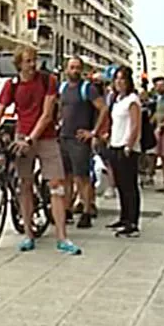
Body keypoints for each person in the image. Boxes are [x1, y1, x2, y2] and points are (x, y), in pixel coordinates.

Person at [0, 45, 80, 255]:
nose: (33, 65)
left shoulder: (47, 80)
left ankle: (62, 237)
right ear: (19, 65)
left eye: (34, 60)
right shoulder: (12, 85)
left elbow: (47, 115)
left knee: (56, 186)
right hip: (22, 136)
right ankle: (28, 234)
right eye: (27, 61)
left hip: (45, 138)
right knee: (24, 185)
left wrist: (31, 139)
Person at [58, 56, 109, 229]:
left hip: (79, 139)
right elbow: (60, 108)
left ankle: (87, 210)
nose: (75, 71)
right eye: (72, 67)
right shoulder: (63, 87)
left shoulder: (88, 89)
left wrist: (93, 132)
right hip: (64, 137)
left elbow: (103, 108)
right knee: (66, 177)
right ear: (66, 69)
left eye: (78, 67)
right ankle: (66, 209)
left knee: (82, 178)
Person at [107, 66, 143, 237]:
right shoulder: (117, 99)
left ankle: (133, 222)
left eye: (123, 79)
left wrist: (129, 144)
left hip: (127, 148)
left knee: (129, 186)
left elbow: (135, 125)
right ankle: (124, 216)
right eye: (117, 79)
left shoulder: (132, 100)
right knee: (120, 184)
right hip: (115, 144)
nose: (119, 82)